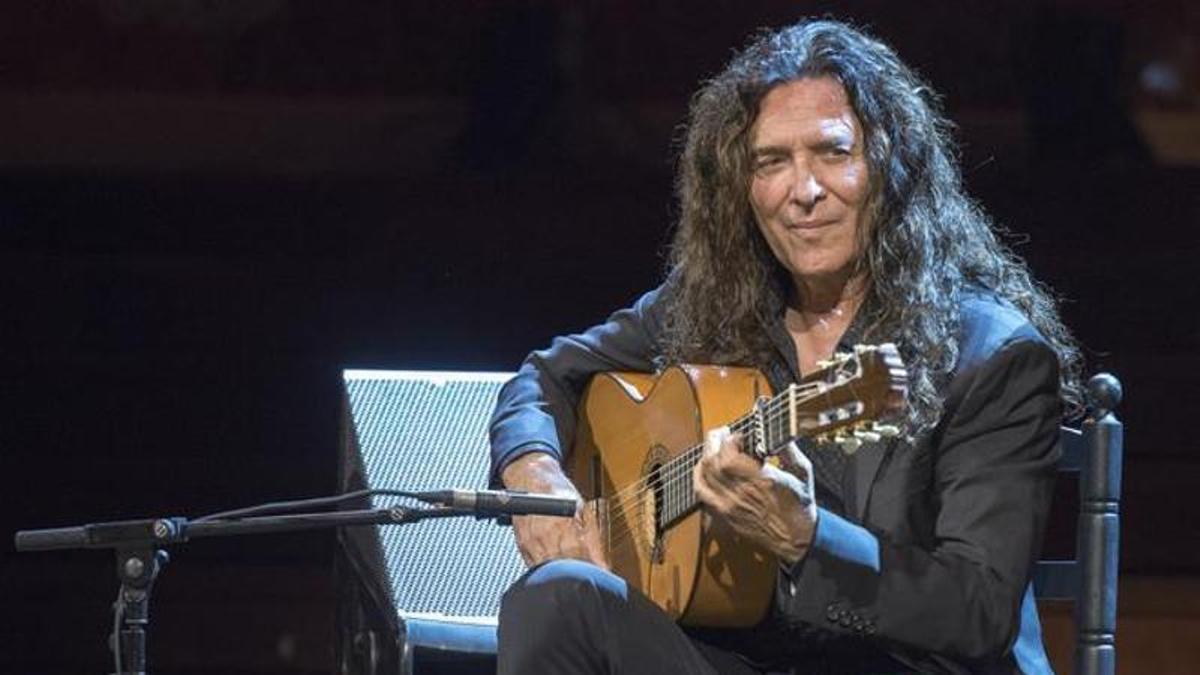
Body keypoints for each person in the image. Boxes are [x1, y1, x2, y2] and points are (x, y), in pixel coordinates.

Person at [487, 18, 1083, 674]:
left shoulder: (991, 356)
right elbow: (545, 376)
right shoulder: (718, 303)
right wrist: (535, 478)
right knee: (556, 599)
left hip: (909, 666)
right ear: (741, 188)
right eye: (772, 161)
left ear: (889, 164)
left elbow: (979, 611)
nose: (803, 191)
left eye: (832, 153)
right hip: (755, 659)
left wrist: (807, 539)